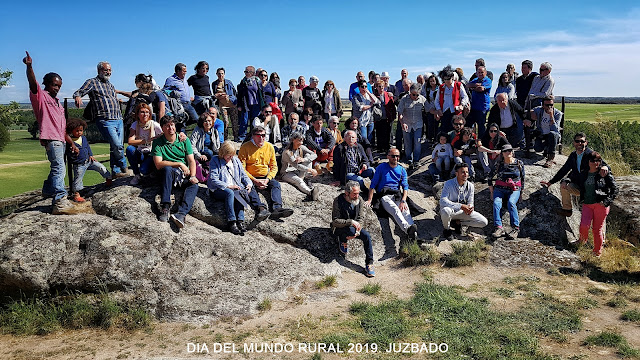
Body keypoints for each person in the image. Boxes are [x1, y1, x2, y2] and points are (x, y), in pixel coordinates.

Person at [24, 51, 78, 214]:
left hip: (59, 139)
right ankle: (60, 202)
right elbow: (33, 84)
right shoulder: (41, 96)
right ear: (46, 84)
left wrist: (72, 143)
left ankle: (48, 190)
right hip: (51, 139)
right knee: (59, 168)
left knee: (57, 167)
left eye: (59, 86)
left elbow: (61, 129)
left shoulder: (58, 104)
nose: (57, 89)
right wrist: (29, 67)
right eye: (54, 85)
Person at [74, 61, 128, 178]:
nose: (108, 72)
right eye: (105, 70)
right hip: (105, 119)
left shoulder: (110, 85)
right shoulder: (92, 82)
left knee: (116, 146)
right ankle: (124, 165)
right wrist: (77, 96)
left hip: (118, 118)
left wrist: (117, 102)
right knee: (117, 145)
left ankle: (116, 171)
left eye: (109, 70)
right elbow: (79, 91)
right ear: (99, 71)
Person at [541, 133, 609, 217]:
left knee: (592, 219)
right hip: (580, 187)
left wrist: (605, 167)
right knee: (564, 186)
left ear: (586, 142)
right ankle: (567, 210)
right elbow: (564, 170)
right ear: (574, 143)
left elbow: (604, 165)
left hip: (592, 189)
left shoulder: (590, 154)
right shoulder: (573, 155)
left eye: (582, 141)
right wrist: (550, 182)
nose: (579, 143)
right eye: (577, 141)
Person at [152, 115, 199, 228]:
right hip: (167, 173)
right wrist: (179, 163)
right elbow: (158, 164)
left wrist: (192, 176)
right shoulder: (158, 142)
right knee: (167, 169)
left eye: (172, 125)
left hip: (181, 174)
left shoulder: (184, 140)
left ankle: (181, 214)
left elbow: (192, 161)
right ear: (162, 128)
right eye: (167, 126)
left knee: (194, 185)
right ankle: (165, 206)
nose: (170, 128)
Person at [238, 126, 294, 219]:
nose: (261, 138)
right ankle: (261, 208)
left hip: (264, 176)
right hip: (250, 177)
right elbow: (241, 169)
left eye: (263, 135)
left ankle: (277, 208)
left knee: (276, 185)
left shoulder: (269, 147)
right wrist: (254, 180)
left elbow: (274, 167)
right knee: (249, 188)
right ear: (253, 136)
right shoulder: (245, 147)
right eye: (258, 135)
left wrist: (267, 179)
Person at [365, 148, 418, 241]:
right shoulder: (381, 167)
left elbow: (405, 187)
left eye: (397, 156)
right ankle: (407, 229)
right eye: (393, 156)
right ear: (388, 157)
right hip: (384, 195)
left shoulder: (402, 170)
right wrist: (370, 199)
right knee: (395, 209)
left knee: (406, 212)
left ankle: (415, 235)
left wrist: (403, 200)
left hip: (397, 195)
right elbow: (373, 184)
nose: (396, 158)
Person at [208, 141, 254, 235]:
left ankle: (240, 221)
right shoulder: (215, 160)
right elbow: (213, 178)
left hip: (235, 187)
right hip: (219, 189)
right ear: (223, 153)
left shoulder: (236, 161)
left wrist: (249, 184)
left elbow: (244, 175)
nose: (231, 157)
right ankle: (232, 222)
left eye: (232, 155)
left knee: (239, 192)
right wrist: (228, 186)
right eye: (229, 155)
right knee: (230, 193)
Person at [578, 151, 618, 257]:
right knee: (584, 226)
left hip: (600, 205)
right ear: (588, 162)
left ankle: (597, 252)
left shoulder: (604, 173)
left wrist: (606, 202)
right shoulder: (584, 173)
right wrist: (566, 181)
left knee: (597, 229)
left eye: (598, 161)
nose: (595, 163)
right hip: (587, 204)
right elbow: (573, 177)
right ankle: (582, 242)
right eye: (592, 160)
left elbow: (615, 189)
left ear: (600, 162)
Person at [332, 180, 376, 277]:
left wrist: (358, 230)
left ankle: (369, 263)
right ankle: (342, 239)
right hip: (341, 227)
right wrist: (350, 222)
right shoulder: (338, 201)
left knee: (367, 236)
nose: (357, 196)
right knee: (350, 231)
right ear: (347, 193)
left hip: (354, 228)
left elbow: (361, 217)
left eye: (358, 193)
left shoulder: (359, 200)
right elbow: (335, 221)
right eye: (354, 194)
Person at [65, 118, 111, 202]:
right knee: (78, 179)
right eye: (77, 131)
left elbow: (88, 147)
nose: (79, 132)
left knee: (101, 167)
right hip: (79, 164)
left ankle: (108, 178)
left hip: (89, 161)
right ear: (71, 131)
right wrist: (73, 154)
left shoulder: (83, 138)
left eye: (81, 130)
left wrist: (91, 155)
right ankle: (76, 194)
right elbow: (68, 154)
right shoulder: (69, 142)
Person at [440, 162, 488, 240]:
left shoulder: (470, 186)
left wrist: (470, 207)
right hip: (451, 211)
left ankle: (459, 224)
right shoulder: (448, 184)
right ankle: (447, 229)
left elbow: (470, 201)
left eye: (467, 172)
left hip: (462, 212)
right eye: (463, 172)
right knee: (446, 211)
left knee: (483, 222)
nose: (465, 174)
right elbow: (443, 200)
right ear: (456, 173)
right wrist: (460, 206)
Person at [488, 145, 524, 239]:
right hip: (499, 188)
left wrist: (521, 193)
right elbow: (489, 177)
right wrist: (492, 192)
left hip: (514, 188)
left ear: (512, 152)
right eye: (505, 151)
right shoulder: (499, 164)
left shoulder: (519, 163)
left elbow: (522, 178)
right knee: (496, 203)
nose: (508, 152)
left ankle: (515, 228)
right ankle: (498, 227)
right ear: (502, 153)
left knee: (511, 203)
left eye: (509, 150)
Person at [126, 103, 163, 185]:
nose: (145, 114)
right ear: (138, 114)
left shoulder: (154, 125)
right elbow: (130, 141)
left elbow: (164, 136)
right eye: (142, 112)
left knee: (144, 170)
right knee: (130, 149)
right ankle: (137, 175)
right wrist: (145, 140)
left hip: (151, 153)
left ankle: (152, 171)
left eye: (147, 112)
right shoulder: (135, 125)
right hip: (141, 152)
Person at [280, 132, 320, 201]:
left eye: (302, 141)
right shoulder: (287, 152)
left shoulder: (301, 148)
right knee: (299, 181)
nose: (301, 143)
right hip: (287, 173)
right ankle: (310, 192)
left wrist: (304, 159)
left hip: (298, 171)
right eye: (299, 140)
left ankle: (307, 178)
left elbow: (314, 154)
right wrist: (310, 170)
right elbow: (296, 165)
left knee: (308, 156)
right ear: (293, 140)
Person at [526, 96, 562, 167]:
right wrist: (531, 114)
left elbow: (556, 129)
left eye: (551, 105)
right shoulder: (539, 110)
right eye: (547, 105)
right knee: (537, 149)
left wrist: (551, 116)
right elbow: (530, 111)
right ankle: (546, 147)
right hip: (542, 133)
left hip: (553, 135)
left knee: (552, 134)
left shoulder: (557, 114)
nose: (549, 107)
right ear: (543, 105)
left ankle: (550, 158)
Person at [397, 83, 426, 168]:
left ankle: (416, 160)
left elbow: (429, 109)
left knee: (417, 142)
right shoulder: (404, 99)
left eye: (417, 95)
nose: (415, 96)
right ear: (410, 92)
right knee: (407, 143)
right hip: (407, 123)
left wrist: (436, 112)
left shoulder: (422, 99)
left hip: (418, 123)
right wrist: (402, 123)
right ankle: (409, 160)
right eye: (413, 94)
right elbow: (400, 113)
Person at [434, 66, 469, 135]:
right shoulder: (441, 87)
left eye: (448, 79)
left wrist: (462, 105)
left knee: (457, 131)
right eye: (445, 79)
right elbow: (436, 101)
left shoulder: (458, 85)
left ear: (452, 77)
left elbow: (465, 97)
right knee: (444, 131)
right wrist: (438, 109)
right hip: (444, 112)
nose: (447, 81)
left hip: (456, 112)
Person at [237, 66, 264, 142]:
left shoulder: (258, 81)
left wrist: (263, 105)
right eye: (245, 72)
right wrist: (239, 105)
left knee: (254, 121)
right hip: (246, 103)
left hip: (256, 104)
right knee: (244, 120)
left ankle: (254, 135)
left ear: (252, 73)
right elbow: (239, 94)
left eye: (246, 72)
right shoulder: (243, 82)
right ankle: (242, 136)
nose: (245, 73)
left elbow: (261, 93)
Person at [211, 67, 238, 141]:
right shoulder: (214, 84)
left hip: (232, 104)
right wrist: (217, 96)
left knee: (234, 122)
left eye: (222, 73)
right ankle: (225, 138)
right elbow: (214, 94)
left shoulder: (229, 82)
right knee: (225, 122)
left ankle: (236, 137)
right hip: (222, 106)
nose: (221, 75)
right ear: (216, 74)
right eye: (219, 73)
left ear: (224, 74)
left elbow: (234, 92)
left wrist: (230, 97)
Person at [351, 80, 380, 145]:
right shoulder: (356, 97)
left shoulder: (369, 96)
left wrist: (369, 93)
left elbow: (377, 102)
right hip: (361, 120)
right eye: (362, 86)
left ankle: (369, 152)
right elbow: (360, 108)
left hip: (370, 119)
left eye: (365, 86)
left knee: (370, 138)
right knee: (364, 138)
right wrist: (370, 105)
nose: (364, 88)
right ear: (359, 88)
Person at [467, 66, 492, 138]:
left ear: (485, 73)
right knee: (468, 125)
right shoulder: (475, 80)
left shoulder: (488, 80)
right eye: (479, 72)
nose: (480, 74)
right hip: (474, 107)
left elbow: (481, 89)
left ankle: (482, 142)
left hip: (482, 108)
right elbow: (468, 85)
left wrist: (473, 88)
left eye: (482, 72)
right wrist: (475, 85)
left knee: (481, 126)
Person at [373, 80, 396, 153]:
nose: (381, 88)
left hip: (387, 117)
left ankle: (386, 148)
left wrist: (393, 116)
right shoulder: (374, 96)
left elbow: (392, 106)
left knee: (387, 133)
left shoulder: (388, 95)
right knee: (379, 133)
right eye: (379, 86)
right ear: (376, 87)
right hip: (378, 118)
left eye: (382, 86)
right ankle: (380, 148)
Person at [423, 74, 440, 143]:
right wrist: (429, 109)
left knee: (437, 125)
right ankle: (430, 138)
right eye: (430, 81)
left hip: (438, 108)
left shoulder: (439, 88)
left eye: (433, 81)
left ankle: (436, 139)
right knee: (430, 124)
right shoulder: (427, 89)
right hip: (430, 108)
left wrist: (437, 110)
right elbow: (425, 99)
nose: (432, 82)